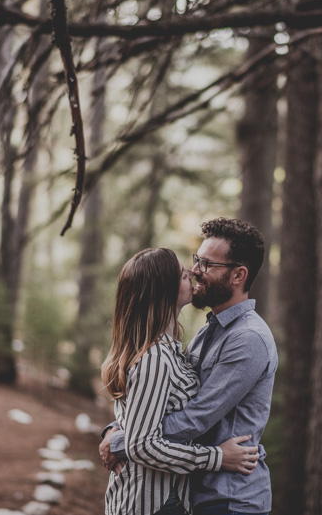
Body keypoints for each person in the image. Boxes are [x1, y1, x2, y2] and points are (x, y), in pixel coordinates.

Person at [102, 219, 278, 515]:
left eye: (207, 264)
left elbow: (197, 418)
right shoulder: (206, 332)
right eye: (198, 260)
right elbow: (158, 401)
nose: (196, 270)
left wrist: (122, 441)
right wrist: (117, 428)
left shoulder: (248, 339)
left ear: (238, 275)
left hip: (231, 498)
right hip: (196, 493)